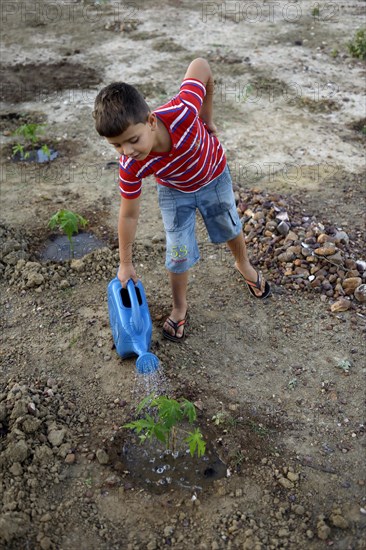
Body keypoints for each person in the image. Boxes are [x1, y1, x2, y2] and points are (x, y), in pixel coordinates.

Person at [93, 58, 271, 342]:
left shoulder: (184, 111)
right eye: (116, 146)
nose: (127, 151)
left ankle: (243, 264)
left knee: (229, 226)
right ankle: (179, 306)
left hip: (214, 176)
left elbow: (201, 66)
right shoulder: (131, 165)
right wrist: (125, 263)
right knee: (178, 252)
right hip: (175, 192)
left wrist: (207, 117)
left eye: (133, 140)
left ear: (151, 121)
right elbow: (128, 214)